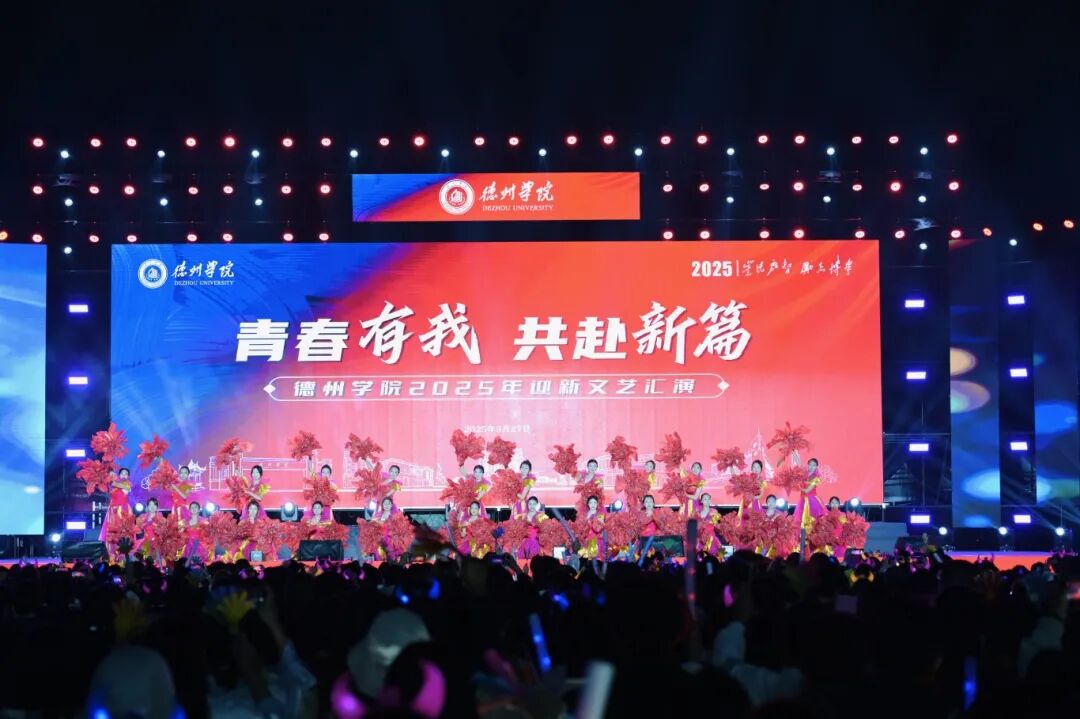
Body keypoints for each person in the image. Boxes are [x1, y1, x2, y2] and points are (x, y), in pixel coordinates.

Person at [794, 458, 826, 530]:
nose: (811, 467)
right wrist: (793, 452)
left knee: (813, 521)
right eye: (810, 464)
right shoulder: (804, 474)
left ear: (816, 467)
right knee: (801, 522)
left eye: (814, 465)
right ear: (808, 465)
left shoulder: (816, 478)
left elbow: (807, 490)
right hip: (802, 500)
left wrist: (797, 486)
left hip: (811, 500)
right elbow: (799, 463)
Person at [517, 495, 548, 559]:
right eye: (530, 504)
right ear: (527, 505)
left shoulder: (541, 516)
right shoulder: (523, 516)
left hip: (537, 543)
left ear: (537, 505)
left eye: (534, 504)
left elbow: (545, 530)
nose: (532, 506)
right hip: (525, 543)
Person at [577, 495, 606, 559]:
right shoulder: (584, 515)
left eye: (595, 502)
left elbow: (600, 528)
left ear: (597, 504)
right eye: (591, 502)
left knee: (593, 558)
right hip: (585, 540)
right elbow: (581, 528)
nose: (593, 505)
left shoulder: (600, 515)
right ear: (588, 504)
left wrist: (594, 522)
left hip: (595, 540)